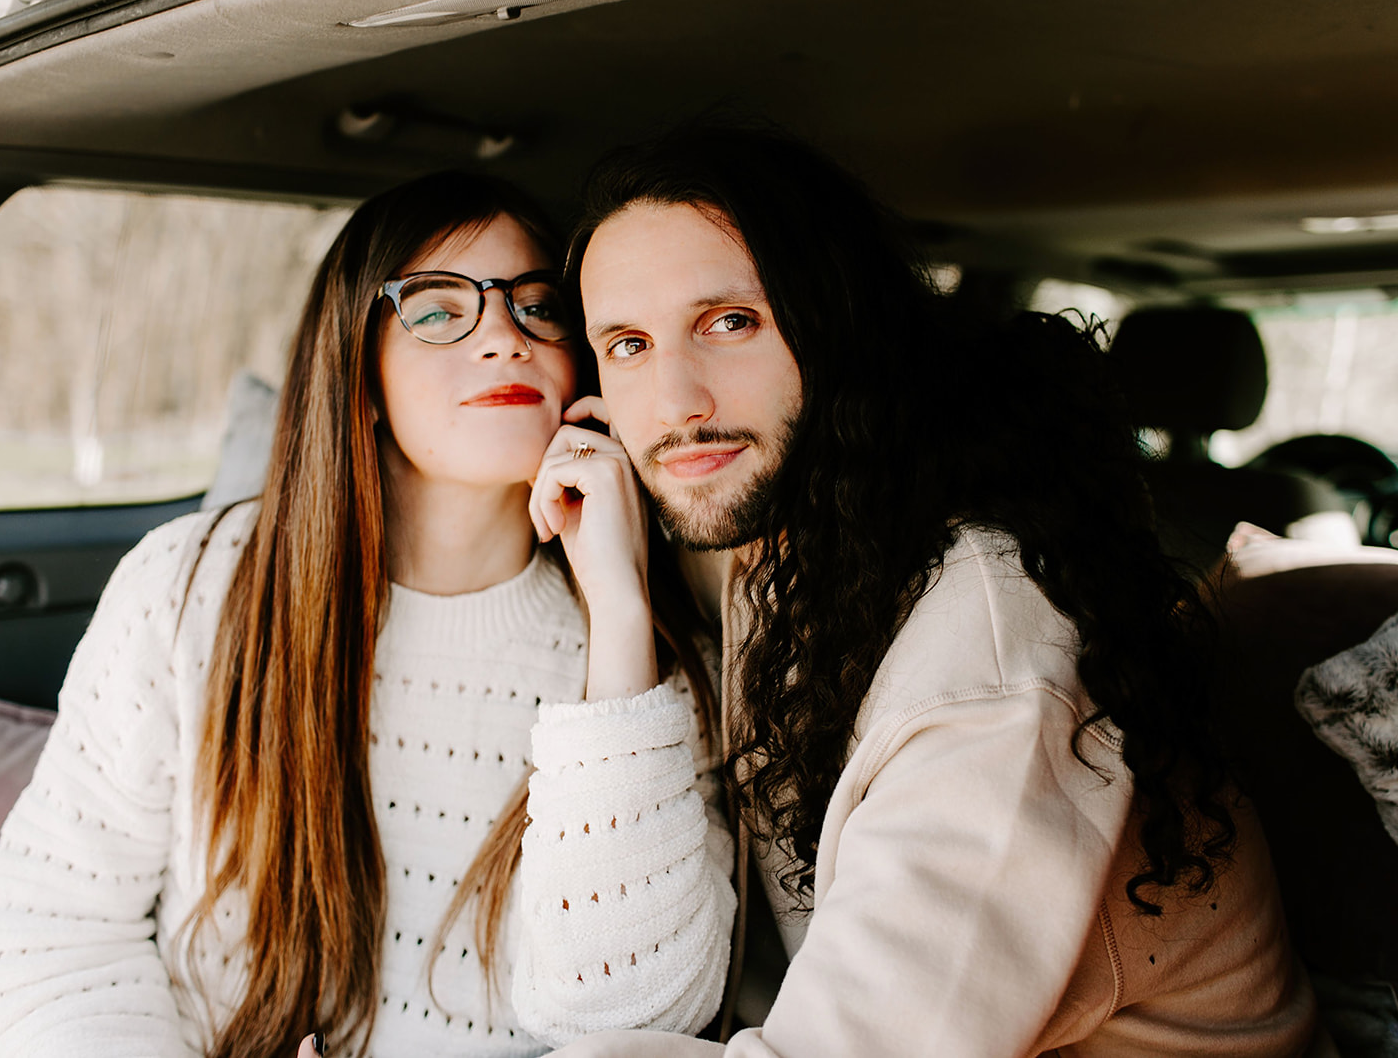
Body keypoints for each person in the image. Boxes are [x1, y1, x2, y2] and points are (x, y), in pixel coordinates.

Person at [548, 124, 1325, 1056]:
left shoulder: (990, 661)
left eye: (731, 322)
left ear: (841, 332)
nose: (675, 402)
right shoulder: (792, 557)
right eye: (627, 344)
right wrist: (616, 599)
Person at [0, 172, 735, 1058]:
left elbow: (638, 1022)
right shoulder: (191, 586)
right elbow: (55, 935)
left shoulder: (646, 655)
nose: (504, 337)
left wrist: (621, 611)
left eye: (538, 307)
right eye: (440, 311)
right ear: (358, 368)